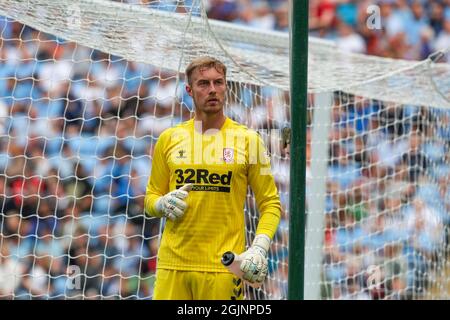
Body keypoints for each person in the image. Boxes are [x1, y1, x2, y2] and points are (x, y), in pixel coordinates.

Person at [144, 56, 281, 300]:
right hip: (172, 266)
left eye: (219, 82)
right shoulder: (169, 138)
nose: (212, 90)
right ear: (189, 90)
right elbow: (151, 197)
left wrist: (259, 246)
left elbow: (271, 204)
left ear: (226, 86)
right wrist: (160, 204)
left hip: (224, 268)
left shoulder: (251, 141)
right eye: (203, 84)